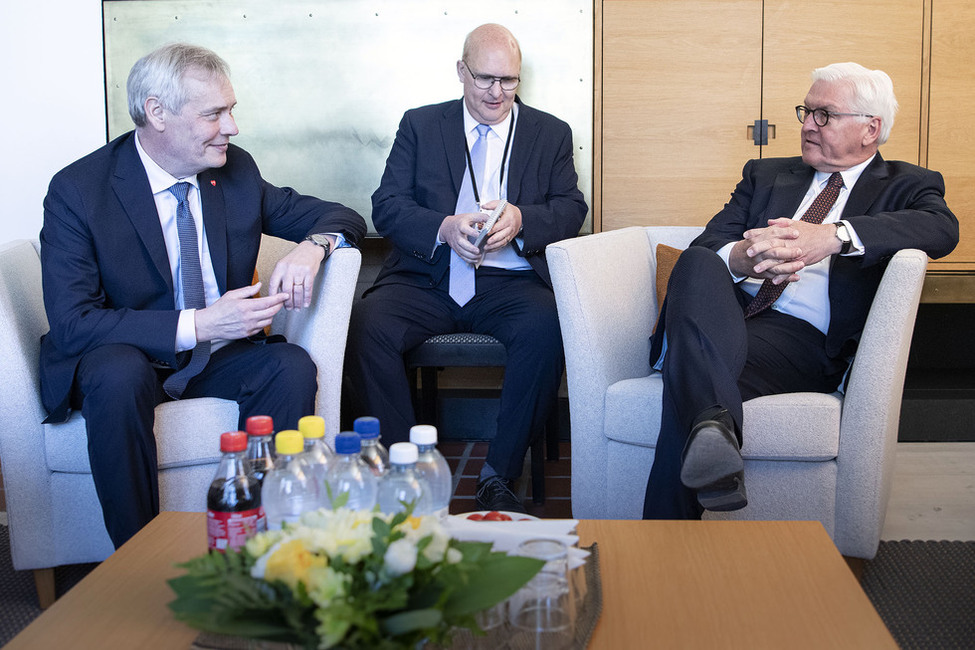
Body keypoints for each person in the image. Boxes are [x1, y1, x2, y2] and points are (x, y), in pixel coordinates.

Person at [39, 43, 366, 547]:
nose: (232, 126)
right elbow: (73, 322)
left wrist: (313, 247)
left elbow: (342, 216)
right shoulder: (80, 189)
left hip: (215, 358)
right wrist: (201, 323)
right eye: (214, 113)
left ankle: (266, 542)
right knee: (117, 372)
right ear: (157, 113)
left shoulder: (234, 170)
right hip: (131, 357)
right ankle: (138, 556)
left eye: (230, 110)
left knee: (291, 366)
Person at [642, 62, 958, 520]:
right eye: (806, 112)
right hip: (726, 313)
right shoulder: (765, 174)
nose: (808, 124)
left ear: (870, 129)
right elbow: (710, 241)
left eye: (824, 114)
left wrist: (833, 236)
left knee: (688, 381)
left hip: (801, 341)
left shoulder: (907, 184)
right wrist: (742, 258)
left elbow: (941, 229)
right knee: (698, 260)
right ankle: (715, 436)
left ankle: (658, 547)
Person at [344, 24, 588, 513]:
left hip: (509, 281)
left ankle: (499, 474)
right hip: (426, 276)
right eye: (484, 79)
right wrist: (444, 227)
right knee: (367, 326)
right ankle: (403, 469)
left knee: (545, 326)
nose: (497, 92)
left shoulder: (550, 132)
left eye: (509, 80)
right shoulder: (420, 124)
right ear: (461, 71)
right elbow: (386, 205)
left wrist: (522, 219)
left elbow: (571, 207)